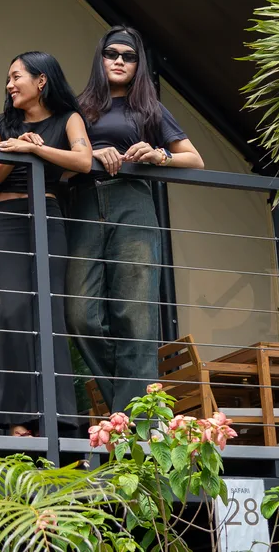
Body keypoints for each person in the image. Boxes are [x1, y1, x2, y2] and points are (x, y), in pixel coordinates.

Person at [68, 27, 204, 414]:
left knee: (136, 313)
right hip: (84, 202)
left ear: (137, 65)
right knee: (79, 314)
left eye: (129, 56)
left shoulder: (149, 108)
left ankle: (133, 417)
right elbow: (62, 154)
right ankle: (127, 405)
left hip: (133, 204)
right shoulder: (78, 108)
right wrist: (96, 153)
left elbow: (194, 159)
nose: (119, 61)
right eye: (112, 53)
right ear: (100, 58)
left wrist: (158, 155)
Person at [0, 51, 92, 436]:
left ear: (41, 81)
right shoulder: (0, 123)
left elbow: (84, 161)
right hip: (7, 223)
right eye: (8, 79)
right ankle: (11, 419)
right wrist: (15, 150)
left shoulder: (68, 119)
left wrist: (37, 148)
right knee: (9, 312)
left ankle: (54, 419)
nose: (9, 85)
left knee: (48, 314)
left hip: (49, 220)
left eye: (16, 77)